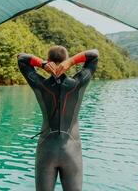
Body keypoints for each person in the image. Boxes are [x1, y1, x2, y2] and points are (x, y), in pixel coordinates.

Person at [17, 46, 99, 191]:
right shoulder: (77, 84)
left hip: (46, 150)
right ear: (65, 61)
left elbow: (22, 59)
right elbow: (94, 55)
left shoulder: (41, 85)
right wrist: (72, 61)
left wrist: (42, 64)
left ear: (49, 61)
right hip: (72, 150)